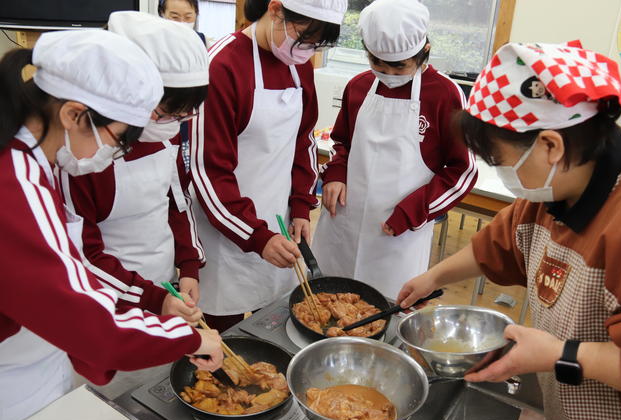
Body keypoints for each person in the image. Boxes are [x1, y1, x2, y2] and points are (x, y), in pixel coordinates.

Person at [397, 41, 621, 420]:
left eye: (502, 162)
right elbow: (496, 246)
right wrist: (432, 278)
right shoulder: (552, 192)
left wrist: (559, 353)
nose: (504, 175)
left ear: (550, 145)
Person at [0, 30, 222, 420]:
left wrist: (156, 299)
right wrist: (190, 338)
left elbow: (64, 275)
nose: (111, 154)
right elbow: (93, 328)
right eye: (117, 138)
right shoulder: (14, 183)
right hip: (12, 373)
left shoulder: (31, 159)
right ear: (72, 114)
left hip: (38, 349)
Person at [190, 0, 346, 331]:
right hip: (224, 229)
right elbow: (208, 171)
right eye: (305, 39)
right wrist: (257, 236)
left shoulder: (297, 63)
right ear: (275, 9)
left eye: (318, 45)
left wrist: (302, 207)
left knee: (273, 329)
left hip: (279, 223)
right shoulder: (221, 66)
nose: (308, 52)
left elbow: (303, 140)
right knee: (223, 340)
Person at [311, 0, 477, 299]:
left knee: (383, 312)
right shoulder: (359, 86)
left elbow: (462, 171)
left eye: (398, 65)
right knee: (327, 303)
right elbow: (342, 141)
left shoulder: (444, 95)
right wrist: (335, 172)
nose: (386, 72)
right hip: (343, 224)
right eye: (376, 62)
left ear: (424, 50)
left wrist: (414, 211)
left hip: (399, 233)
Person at [61, 12, 208, 308]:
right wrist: (152, 299)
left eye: (185, 115)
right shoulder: (84, 152)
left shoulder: (166, 133)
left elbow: (178, 202)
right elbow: (84, 252)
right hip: (110, 296)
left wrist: (188, 265)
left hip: (164, 284)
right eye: (164, 112)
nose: (173, 123)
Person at [157, 0, 207, 171]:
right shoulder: (153, 42)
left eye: (188, 17)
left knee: (182, 162)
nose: (181, 23)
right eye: (175, 17)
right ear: (162, 14)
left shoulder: (202, 41)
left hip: (187, 114)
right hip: (160, 114)